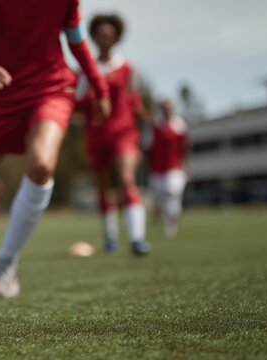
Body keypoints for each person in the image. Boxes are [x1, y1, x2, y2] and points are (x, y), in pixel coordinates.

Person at [0, 0, 110, 298]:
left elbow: (77, 41)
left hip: (51, 90)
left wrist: (99, 86)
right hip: (2, 96)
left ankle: (6, 263)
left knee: (41, 165)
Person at [76, 13, 151, 256]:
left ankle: (137, 239)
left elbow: (133, 96)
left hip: (124, 132)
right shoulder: (86, 68)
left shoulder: (126, 67)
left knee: (127, 179)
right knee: (103, 186)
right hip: (97, 134)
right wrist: (93, 103)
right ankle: (110, 236)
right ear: (94, 37)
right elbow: (76, 101)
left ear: (117, 37)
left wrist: (141, 111)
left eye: (110, 34)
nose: (105, 37)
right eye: (100, 34)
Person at [148, 99, 189, 239]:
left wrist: (185, 164)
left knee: (172, 192)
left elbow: (185, 147)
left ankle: (172, 222)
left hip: (174, 167)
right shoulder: (154, 125)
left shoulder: (180, 125)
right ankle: (163, 217)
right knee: (159, 197)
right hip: (157, 168)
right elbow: (148, 148)